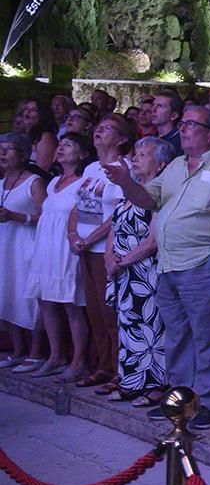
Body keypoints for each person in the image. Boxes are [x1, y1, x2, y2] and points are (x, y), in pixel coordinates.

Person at [105, 104, 210, 431]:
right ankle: (181, 400)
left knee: (206, 337)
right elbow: (148, 200)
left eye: (193, 124)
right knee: (177, 337)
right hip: (167, 264)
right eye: (185, 123)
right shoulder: (176, 165)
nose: (185, 128)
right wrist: (125, 181)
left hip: (202, 262)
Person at [70, 113, 138, 392]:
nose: (99, 131)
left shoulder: (125, 169)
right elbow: (77, 205)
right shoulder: (90, 169)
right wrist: (73, 234)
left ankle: (119, 371)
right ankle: (102, 365)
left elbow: (121, 213)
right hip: (84, 247)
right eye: (98, 127)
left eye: (108, 129)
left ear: (122, 139)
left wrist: (90, 239)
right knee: (93, 311)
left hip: (105, 250)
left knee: (110, 314)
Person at [101, 137, 172, 403]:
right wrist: (109, 257)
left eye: (144, 154)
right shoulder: (129, 194)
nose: (136, 158)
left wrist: (124, 260)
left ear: (161, 163)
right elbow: (115, 228)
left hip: (144, 271)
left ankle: (154, 385)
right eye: (136, 153)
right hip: (122, 271)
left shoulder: (158, 193)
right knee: (127, 325)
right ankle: (131, 381)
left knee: (150, 326)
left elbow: (153, 241)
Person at [26, 132, 96, 382]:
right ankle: (56, 356)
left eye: (69, 144)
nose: (62, 148)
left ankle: (78, 361)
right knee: (46, 302)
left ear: (83, 154)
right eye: (61, 144)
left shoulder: (84, 181)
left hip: (66, 247)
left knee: (71, 305)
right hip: (46, 247)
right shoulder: (53, 181)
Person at [0, 133, 47, 370]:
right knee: (6, 295)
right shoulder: (0, 184)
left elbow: (46, 217)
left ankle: (36, 352)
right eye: (0, 149)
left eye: (8, 149)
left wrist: (16, 216)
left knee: (28, 299)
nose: (2, 154)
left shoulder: (34, 182)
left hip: (26, 245)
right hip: (5, 246)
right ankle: (18, 350)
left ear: (23, 154)